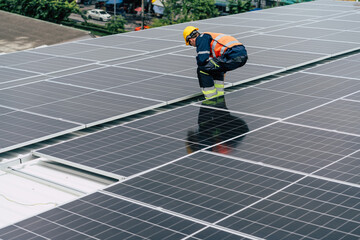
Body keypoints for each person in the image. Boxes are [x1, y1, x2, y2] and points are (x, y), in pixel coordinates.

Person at [183, 26, 248, 100]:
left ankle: (211, 98)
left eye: (190, 44)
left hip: (232, 54)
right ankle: (219, 96)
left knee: (202, 69)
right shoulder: (210, 37)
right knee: (215, 68)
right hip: (241, 55)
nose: (193, 46)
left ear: (191, 40)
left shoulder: (202, 37)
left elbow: (202, 60)